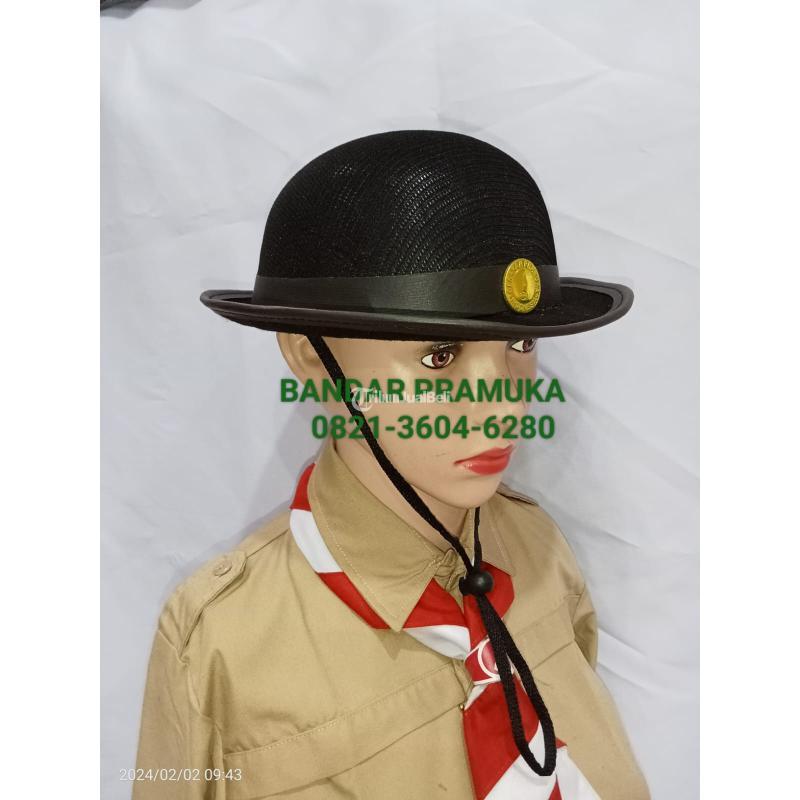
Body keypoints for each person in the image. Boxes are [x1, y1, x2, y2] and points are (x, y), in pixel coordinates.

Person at [133, 130, 650, 799]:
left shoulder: (539, 551)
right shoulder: (221, 647)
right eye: (439, 356)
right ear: (313, 359)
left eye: (520, 344)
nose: (503, 405)